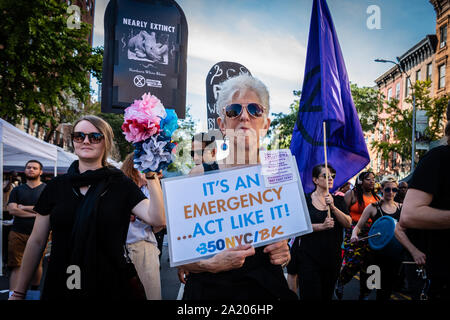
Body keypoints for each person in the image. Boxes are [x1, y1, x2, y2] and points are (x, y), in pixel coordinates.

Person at [9, 115, 165, 300]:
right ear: (73, 141)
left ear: (105, 142)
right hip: (63, 281)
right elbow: (36, 241)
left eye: (94, 137)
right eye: (79, 136)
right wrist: (18, 292)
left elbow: (157, 219)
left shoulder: (121, 184)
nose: (86, 141)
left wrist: (151, 176)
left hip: (109, 284)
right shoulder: (56, 186)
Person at [178, 74, 296, 300]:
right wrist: (209, 264)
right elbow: (183, 258)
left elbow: (284, 240)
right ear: (222, 124)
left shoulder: (280, 174)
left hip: (265, 291)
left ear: (266, 124)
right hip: (210, 293)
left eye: (255, 110)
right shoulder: (199, 175)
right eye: (234, 110)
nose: (244, 117)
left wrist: (284, 253)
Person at [399, 104, 450, 300]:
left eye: (396, 189)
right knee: (378, 283)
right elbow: (406, 219)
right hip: (439, 276)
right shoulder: (438, 158)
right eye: (391, 189)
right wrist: (414, 252)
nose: (393, 192)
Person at [351, 176, 424, 300]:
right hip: (374, 256)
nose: (391, 193)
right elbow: (357, 227)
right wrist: (354, 235)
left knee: (385, 291)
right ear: (382, 190)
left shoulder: (402, 208)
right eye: (388, 189)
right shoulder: (373, 207)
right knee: (368, 289)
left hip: (394, 256)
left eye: (394, 190)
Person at [287, 164, 351, 300]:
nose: (330, 179)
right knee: (310, 295)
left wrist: (333, 207)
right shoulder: (305, 199)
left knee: (326, 295)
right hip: (308, 257)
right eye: (325, 176)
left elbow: (348, 223)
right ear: (315, 180)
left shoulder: (338, 200)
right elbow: (297, 226)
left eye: (332, 176)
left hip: (331, 258)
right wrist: (320, 226)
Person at [121, 153, 165, 300]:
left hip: (143, 248)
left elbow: (160, 224)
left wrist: (143, 217)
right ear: (134, 167)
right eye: (146, 167)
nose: (154, 172)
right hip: (118, 250)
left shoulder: (150, 190)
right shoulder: (120, 188)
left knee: (150, 294)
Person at [335, 171, 380, 300]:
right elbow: (343, 214)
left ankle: (364, 294)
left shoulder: (377, 198)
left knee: (370, 265)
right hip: (354, 231)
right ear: (360, 181)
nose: (372, 181)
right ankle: (341, 281)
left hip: (371, 234)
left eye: (373, 179)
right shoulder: (352, 194)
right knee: (353, 263)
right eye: (368, 179)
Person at [7, 160, 47, 299]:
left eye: (34, 168)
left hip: (40, 233)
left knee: (37, 264)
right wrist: (36, 213)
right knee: (16, 265)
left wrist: (23, 207)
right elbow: (12, 210)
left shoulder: (46, 189)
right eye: (28, 167)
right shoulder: (17, 190)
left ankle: (33, 293)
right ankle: (13, 295)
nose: (31, 170)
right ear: (25, 170)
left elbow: (48, 210)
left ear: (40, 172)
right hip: (17, 232)